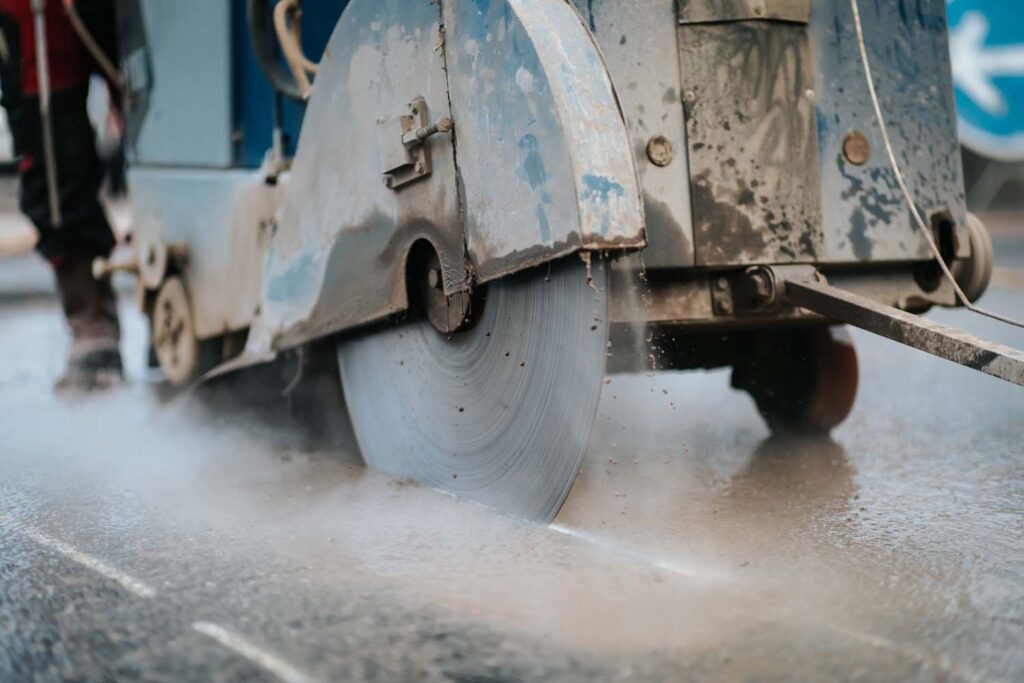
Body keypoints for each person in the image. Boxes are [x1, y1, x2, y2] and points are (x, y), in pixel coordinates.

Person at [0, 0, 122, 390]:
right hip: (37, 16)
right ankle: (90, 316)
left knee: (164, 113)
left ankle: (197, 291)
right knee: (54, 151)